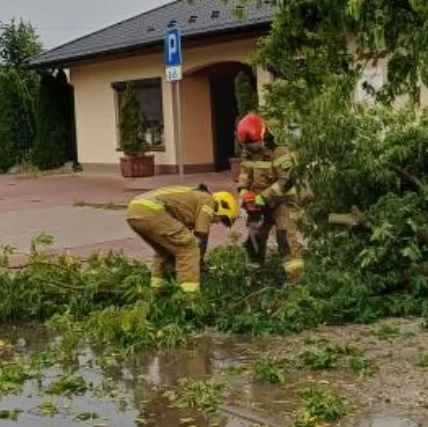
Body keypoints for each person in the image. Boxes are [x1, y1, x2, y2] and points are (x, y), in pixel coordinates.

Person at [124, 184, 239, 295]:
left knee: (165, 251)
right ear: (221, 206)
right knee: (189, 248)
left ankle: (157, 290)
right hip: (151, 210)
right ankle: (189, 296)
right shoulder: (208, 201)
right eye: (221, 218)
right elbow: (201, 235)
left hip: (135, 211)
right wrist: (198, 263)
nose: (216, 222)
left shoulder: (193, 199)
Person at [235, 113, 304, 282]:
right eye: (247, 145)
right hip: (259, 202)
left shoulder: (279, 151)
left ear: (262, 135)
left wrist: (263, 197)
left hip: (283, 202)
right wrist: (244, 192)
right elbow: (245, 173)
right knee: (254, 239)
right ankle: (255, 277)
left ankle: (295, 281)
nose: (251, 149)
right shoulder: (248, 151)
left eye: (253, 144)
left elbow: (286, 181)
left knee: (285, 239)